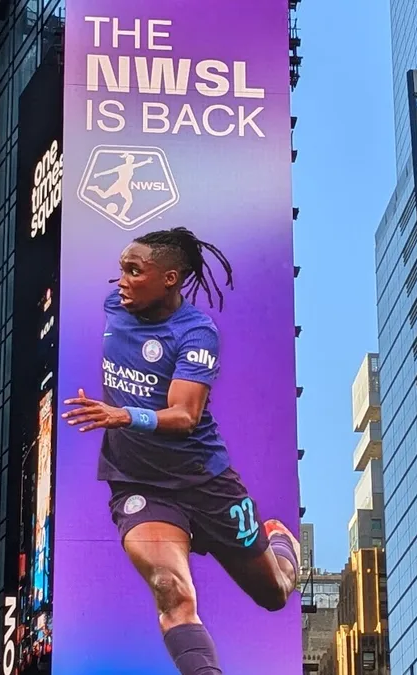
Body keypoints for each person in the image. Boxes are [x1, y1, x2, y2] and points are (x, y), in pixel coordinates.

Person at [61, 227, 300, 675]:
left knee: (275, 594)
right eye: (120, 270)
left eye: (135, 271)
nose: (122, 282)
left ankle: (281, 543)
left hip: (206, 483)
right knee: (171, 589)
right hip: (141, 486)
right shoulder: (117, 307)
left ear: (170, 278)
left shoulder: (196, 332)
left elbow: (184, 417)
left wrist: (123, 415)